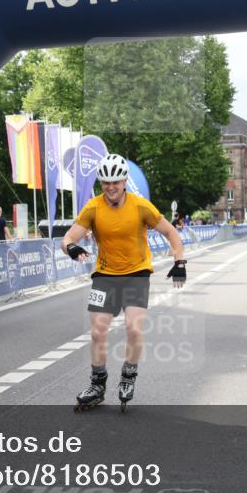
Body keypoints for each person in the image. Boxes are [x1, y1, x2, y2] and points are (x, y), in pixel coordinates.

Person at [61, 153, 186, 412]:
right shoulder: (93, 207)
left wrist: (179, 261)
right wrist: (71, 248)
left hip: (136, 274)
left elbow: (171, 232)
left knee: (133, 329)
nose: (111, 187)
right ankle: (97, 384)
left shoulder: (141, 206)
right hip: (105, 276)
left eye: (115, 182)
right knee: (97, 332)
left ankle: (128, 376)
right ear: (101, 183)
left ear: (124, 180)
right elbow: (69, 237)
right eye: (106, 183)